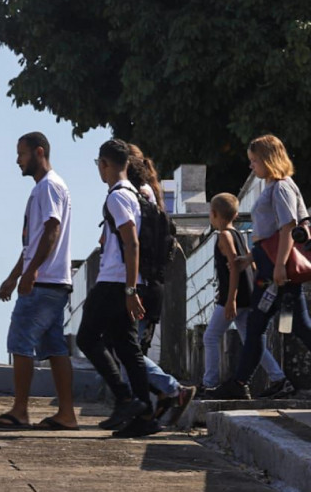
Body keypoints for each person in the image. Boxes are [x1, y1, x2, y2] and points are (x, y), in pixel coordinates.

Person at [0, 132, 78, 431]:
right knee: (55, 348)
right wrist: (14, 276)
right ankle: (66, 413)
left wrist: (32, 272)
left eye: (21, 154)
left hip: (45, 282)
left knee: (19, 341)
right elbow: (33, 242)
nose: (17, 160)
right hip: (53, 281)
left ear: (39, 153)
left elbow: (51, 230)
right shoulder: (47, 187)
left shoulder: (49, 187)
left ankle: (20, 411)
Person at [208, 135, 311, 400]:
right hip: (271, 267)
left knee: (258, 324)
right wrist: (252, 258)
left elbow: (287, 227)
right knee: (292, 324)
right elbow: (271, 235)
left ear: (268, 159)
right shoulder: (275, 187)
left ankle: (240, 382)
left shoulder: (281, 187)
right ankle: (258, 382)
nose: (252, 167)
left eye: (254, 161)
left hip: (276, 273)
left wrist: (278, 268)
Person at [75, 138, 158, 438]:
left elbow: (131, 242)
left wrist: (130, 290)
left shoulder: (117, 197)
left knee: (86, 337)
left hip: (114, 281)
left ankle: (125, 397)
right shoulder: (134, 193)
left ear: (105, 164)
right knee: (126, 347)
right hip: (123, 281)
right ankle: (145, 414)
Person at [123, 144, 196, 424]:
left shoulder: (139, 197)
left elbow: (134, 244)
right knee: (130, 351)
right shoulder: (147, 195)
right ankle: (156, 399)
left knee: (127, 351)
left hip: (142, 285)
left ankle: (171, 390)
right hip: (149, 284)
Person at [201, 193, 290, 395]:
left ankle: (209, 382)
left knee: (210, 336)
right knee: (251, 340)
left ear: (214, 214)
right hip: (246, 296)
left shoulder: (224, 236)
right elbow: (251, 265)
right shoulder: (239, 234)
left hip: (232, 297)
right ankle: (279, 377)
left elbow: (233, 267)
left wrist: (231, 299)